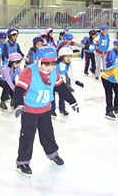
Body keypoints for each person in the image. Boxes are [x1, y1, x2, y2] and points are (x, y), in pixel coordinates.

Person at [13, 46, 79, 176]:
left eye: (53, 63)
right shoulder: (29, 72)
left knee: (48, 133)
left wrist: (72, 101)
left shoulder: (54, 72)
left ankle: (53, 153)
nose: (49, 67)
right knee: (27, 136)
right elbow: (19, 90)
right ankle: (23, 162)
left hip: (45, 110)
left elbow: (61, 88)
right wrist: (19, 104)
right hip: (30, 110)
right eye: (46, 64)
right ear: (38, 61)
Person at [51, 47, 84, 117]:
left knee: (63, 95)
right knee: (52, 96)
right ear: (61, 56)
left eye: (70, 56)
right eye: (66, 56)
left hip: (60, 81)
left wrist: (77, 82)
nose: (69, 58)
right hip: (52, 81)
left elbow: (70, 74)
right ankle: (52, 110)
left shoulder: (68, 65)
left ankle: (62, 109)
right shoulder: (55, 65)